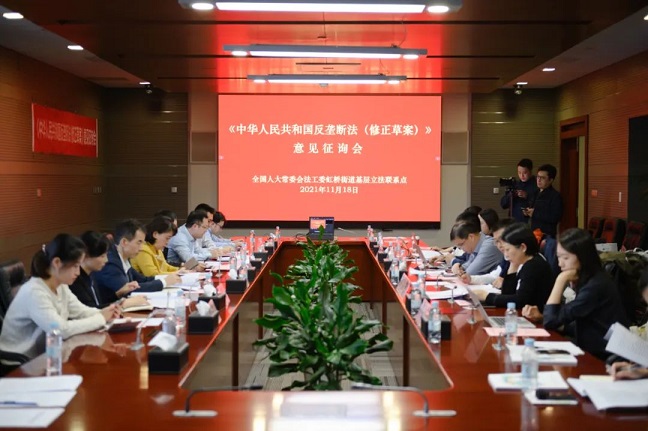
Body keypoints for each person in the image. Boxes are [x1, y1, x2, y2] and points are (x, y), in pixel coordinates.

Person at [0, 234, 118, 360]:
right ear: (57, 262)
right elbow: (60, 330)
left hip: (49, 354)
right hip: (19, 362)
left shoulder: (61, 285)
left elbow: (80, 311)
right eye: (75, 266)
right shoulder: (34, 292)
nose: (78, 272)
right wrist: (101, 318)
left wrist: (105, 312)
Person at [528, 228, 628, 360]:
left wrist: (560, 280)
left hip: (602, 357)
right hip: (588, 347)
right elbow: (581, 322)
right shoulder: (588, 278)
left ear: (582, 257)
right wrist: (544, 318)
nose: (560, 263)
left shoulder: (595, 285)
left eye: (566, 257)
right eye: (558, 257)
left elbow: (550, 321)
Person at [93, 219, 181, 303]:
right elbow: (127, 290)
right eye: (139, 242)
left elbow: (142, 279)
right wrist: (164, 282)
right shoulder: (111, 262)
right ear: (124, 242)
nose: (141, 247)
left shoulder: (124, 258)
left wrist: (167, 278)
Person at [472, 223, 554, 310]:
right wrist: (513, 266)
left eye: (508, 250)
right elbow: (507, 294)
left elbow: (520, 301)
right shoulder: (523, 262)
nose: (506, 255)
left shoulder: (533, 266)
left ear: (523, 247)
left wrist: (486, 296)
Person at [70, 231, 149, 309]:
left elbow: (101, 303)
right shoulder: (75, 280)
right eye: (102, 256)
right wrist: (124, 304)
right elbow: (90, 311)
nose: (106, 260)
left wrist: (119, 293)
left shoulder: (91, 274)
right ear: (85, 256)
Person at [460, 218, 514, 287]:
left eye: (502, 240)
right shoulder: (506, 259)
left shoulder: (524, 264)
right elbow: (493, 276)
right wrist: (471, 279)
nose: (499, 245)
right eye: (496, 241)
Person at [524, 164, 563, 238]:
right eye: (538, 177)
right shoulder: (535, 193)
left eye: (542, 178)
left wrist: (534, 213)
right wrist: (527, 212)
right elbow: (530, 207)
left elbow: (555, 217)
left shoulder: (555, 196)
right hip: (533, 232)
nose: (538, 180)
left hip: (547, 234)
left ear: (550, 180)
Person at [500, 158, 538, 223]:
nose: (522, 175)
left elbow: (540, 206)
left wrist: (527, 196)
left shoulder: (536, 185)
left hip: (528, 222)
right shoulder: (515, 185)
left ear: (530, 171)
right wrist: (512, 195)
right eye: (519, 172)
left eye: (525, 173)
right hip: (513, 221)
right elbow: (503, 204)